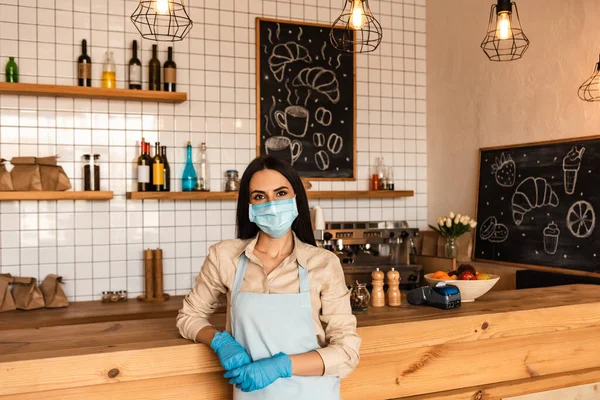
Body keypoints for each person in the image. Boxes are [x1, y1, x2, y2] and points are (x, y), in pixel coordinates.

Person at [177, 155, 360, 398]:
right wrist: (220, 341)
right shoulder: (225, 257)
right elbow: (189, 316)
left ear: (296, 199)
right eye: (260, 196)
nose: (271, 204)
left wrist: (282, 366)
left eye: (281, 193)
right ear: (249, 206)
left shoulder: (323, 264)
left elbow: (347, 352)